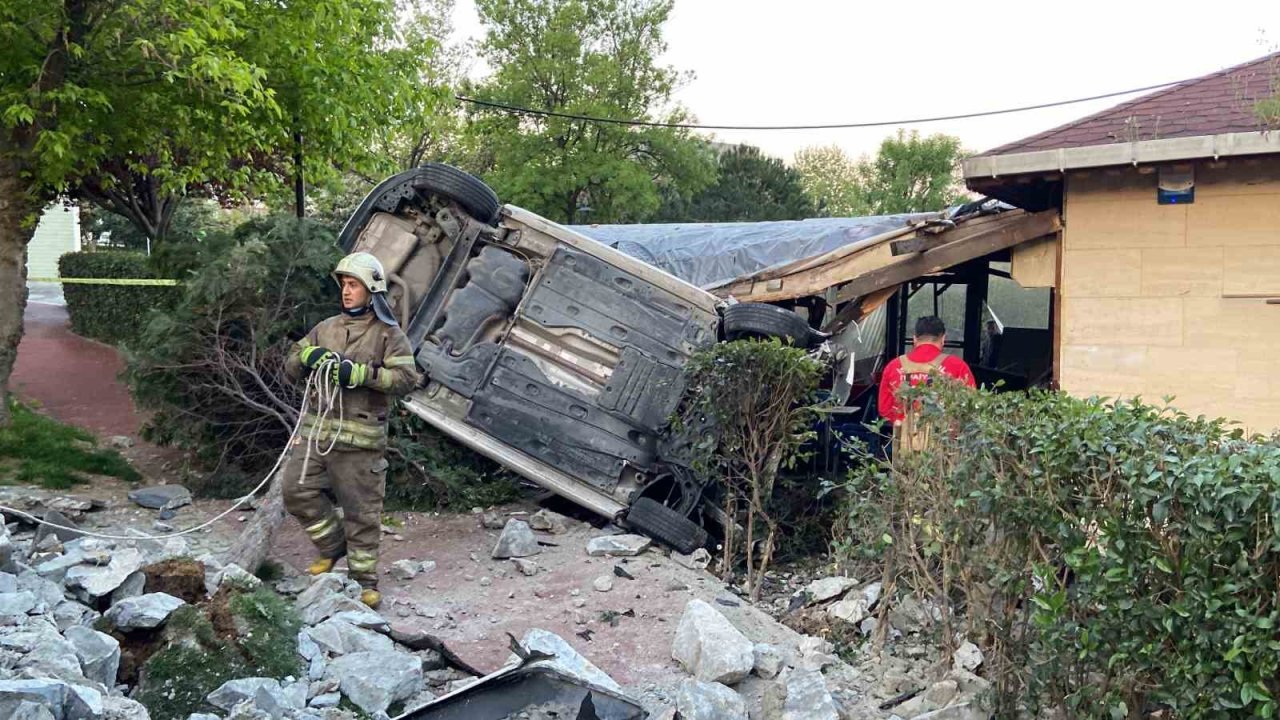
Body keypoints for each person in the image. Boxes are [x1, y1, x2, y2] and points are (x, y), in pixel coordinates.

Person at [282, 251, 423, 608]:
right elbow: (289, 367)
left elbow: (407, 379)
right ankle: (332, 548)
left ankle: (364, 581)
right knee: (296, 491)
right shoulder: (325, 328)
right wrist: (306, 358)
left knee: (361, 512)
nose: (346, 291)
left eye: (354, 285)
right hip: (317, 437)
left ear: (371, 290)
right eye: (344, 284)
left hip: (360, 444)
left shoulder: (389, 335)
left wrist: (359, 374)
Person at [877, 316, 975, 450]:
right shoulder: (957, 366)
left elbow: (884, 410)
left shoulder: (893, 366)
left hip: (903, 447)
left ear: (914, 339)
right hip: (943, 450)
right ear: (943, 339)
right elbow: (971, 407)